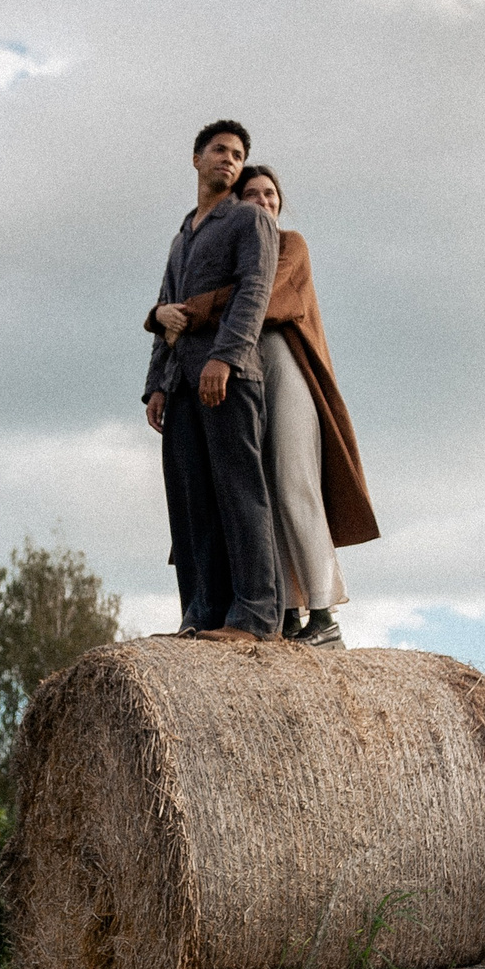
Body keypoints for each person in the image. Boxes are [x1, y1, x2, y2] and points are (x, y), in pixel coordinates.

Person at [205, 164, 379, 643]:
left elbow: (262, 299)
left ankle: (324, 616)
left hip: (292, 375)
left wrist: (193, 309)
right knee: (261, 491)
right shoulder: (233, 259)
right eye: (253, 196)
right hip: (250, 377)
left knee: (294, 484)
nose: (264, 202)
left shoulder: (290, 246)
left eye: (270, 195)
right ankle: (286, 611)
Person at [142, 120, 281, 643]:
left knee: (240, 493)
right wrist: (157, 383)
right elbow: (168, 309)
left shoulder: (249, 221)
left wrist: (224, 358)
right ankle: (200, 614)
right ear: (196, 158)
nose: (229, 159)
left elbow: (254, 291)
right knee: (191, 503)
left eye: (238, 154)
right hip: (179, 384)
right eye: (219, 150)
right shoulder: (182, 234)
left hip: (228, 374)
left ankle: (256, 617)